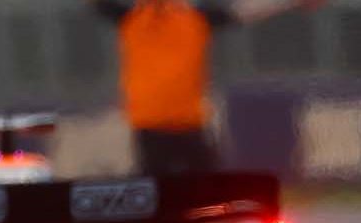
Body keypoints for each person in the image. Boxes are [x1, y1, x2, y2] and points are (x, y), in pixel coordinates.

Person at [90, 0, 323, 176]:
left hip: (179, 122)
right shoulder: (139, 19)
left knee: (200, 187)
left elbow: (245, 12)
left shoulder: (183, 19)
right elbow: (244, 12)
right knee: (167, 192)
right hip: (158, 124)